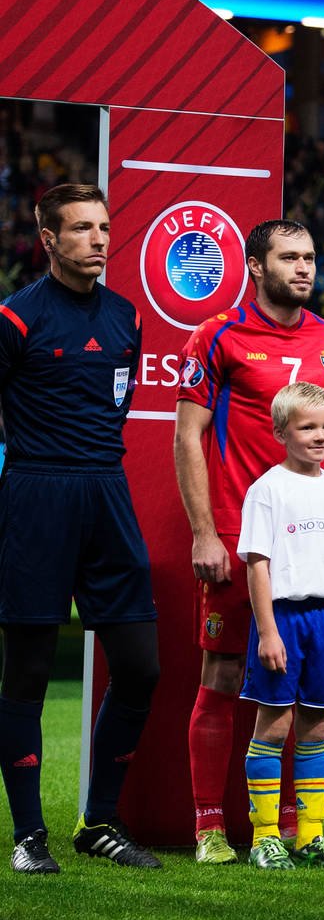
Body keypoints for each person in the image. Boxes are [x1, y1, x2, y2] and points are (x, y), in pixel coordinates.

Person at [175, 218, 324, 866]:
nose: (304, 268)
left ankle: (294, 833)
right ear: (256, 265)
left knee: (305, 689)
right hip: (235, 531)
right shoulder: (216, 335)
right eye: (289, 257)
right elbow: (186, 435)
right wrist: (203, 531)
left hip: (310, 543)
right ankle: (211, 827)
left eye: (310, 256)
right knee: (221, 676)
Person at [0, 184, 162, 873]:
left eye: (103, 227)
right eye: (82, 229)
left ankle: (99, 821)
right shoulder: (14, 318)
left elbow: (116, 412)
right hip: (36, 493)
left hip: (106, 490)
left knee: (140, 667)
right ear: (49, 238)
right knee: (29, 669)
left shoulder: (126, 317)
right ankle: (29, 836)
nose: (98, 239)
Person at [235, 383, 324, 870]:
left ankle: (311, 836)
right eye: (307, 427)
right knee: (275, 722)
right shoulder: (267, 490)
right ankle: (265, 838)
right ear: (280, 432)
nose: (320, 435)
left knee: (316, 725)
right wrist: (268, 632)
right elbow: (257, 565)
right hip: (284, 619)